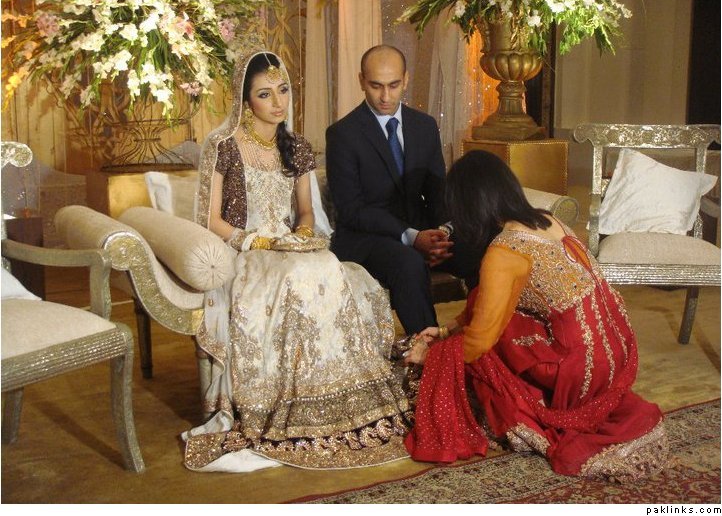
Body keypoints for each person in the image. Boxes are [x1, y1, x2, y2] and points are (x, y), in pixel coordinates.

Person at [182, 48, 412, 472]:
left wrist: (303, 235)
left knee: (325, 266)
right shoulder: (224, 146)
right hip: (246, 251)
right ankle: (289, 401)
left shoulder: (297, 146)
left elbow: (305, 212)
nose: (278, 102)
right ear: (244, 99)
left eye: (283, 90)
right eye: (265, 94)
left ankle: (336, 395)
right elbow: (210, 219)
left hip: (290, 246)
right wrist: (255, 241)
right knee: (298, 275)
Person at [403, 150, 669, 481]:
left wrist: (432, 354)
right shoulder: (548, 219)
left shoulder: (505, 250)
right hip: (616, 350)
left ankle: (528, 414)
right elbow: (489, 302)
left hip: (580, 370)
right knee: (504, 315)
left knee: (485, 351)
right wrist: (446, 330)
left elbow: (478, 342)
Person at [326, 44, 481, 335]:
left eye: (394, 85)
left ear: (406, 80)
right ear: (361, 81)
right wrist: (412, 238)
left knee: (481, 245)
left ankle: (483, 336)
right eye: (376, 86)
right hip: (365, 238)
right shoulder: (342, 134)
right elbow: (351, 209)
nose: (385, 96)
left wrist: (441, 234)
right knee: (408, 262)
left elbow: (437, 192)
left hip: (420, 230)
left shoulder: (424, 126)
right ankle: (429, 348)